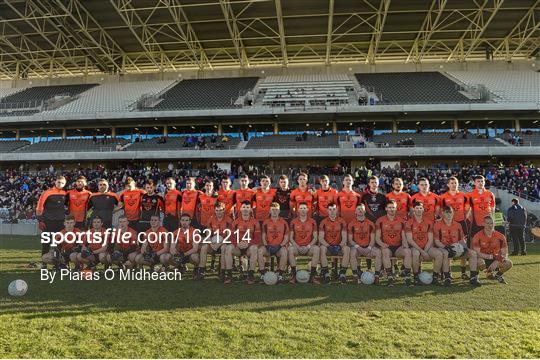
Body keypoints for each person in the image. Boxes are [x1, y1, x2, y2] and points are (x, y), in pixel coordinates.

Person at [433, 206, 481, 286]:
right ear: (442, 214)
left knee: (473, 253)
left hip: (457, 248)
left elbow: (462, 239)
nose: (449, 215)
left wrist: (465, 247)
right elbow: (436, 241)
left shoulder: (458, 225)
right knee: (445, 253)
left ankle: (473, 278)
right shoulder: (437, 225)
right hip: (443, 248)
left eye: (450, 212)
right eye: (446, 213)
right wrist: (446, 248)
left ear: (453, 213)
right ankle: (447, 277)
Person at [439, 176, 472, 279]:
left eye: (455, 183)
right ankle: (448, 273)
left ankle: (463, 272)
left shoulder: (464, 195)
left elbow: (467, 209)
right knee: (448, 247)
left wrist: (462, 219)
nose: (454, 184)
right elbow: (441, 211)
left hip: (462, 223)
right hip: (447, 224)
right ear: (448, 185)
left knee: (463, 248)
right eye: (452, 183)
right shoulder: (443, 197)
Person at [375, 200, 412, 287]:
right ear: (386, 209)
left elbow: (403, 236)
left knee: (408, 252)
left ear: (396, 209)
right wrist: (382, 244)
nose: (391, 209)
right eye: (390, 207)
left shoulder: (401, 220)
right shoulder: (380, 220)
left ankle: (407, 277)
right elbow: (377, 237)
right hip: (387, 246)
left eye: (393, 207)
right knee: (385, 252)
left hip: (398, 247)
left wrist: (405, 244)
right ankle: (390, 277)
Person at [405, 201, 443, 285]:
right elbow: (410, 240)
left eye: (420, 208)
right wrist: (422, 252)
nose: (419, 210)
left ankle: (435, 277)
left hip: (427, 247)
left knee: (439, 254)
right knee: (415, 253)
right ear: (414, 210)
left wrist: (425, 251)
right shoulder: (409, 223)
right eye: (417, 208)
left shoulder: (429, 222)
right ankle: (416, 277)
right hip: (415, 247)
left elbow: (430, 239)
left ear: (423, 210)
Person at [225, 201, 261, 284]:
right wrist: (237, 243)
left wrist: (248, 244)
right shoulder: (235, 222)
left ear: (251, 209)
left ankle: (250, 275)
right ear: (240, 209)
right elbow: (231, 236)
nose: (245, 209)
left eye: (247, 208)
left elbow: (257, 238)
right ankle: (229, 275)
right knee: (229, 248)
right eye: (244, 207)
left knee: (254, 248)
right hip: (238, 247)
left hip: (249, 247)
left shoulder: (255, 222)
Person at [36, 175, 67, 267]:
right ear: (55, 182)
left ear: (64, 184)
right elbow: (39, 207)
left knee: (59, 244)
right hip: (48, 222)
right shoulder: (47, 192)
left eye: (62, 183)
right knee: (46, 243)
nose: (60, 184)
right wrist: (40, 220)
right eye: (58, 182)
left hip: (60, 222)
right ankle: (44, 263)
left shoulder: (65, 193)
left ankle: (58, 263)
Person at [472, 215, 513, 283]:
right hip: (482, 258)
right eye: (487, 223)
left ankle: (498, 275)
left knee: (509, 263)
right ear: (483, 224)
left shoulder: (501, 236)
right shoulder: (477, 236)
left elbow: (505, 253)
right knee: (478, 261)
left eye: (491, 223)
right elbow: (477, 253)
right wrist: (490, 257)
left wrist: (496, 262)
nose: (490, 225)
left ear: (494, 224)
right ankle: (476, 277)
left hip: (495, 258)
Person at [347, 203, 381, 284]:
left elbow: (373, 239)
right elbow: (350, 240)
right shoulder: (351, 224)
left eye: (362, 209)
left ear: (365, 211)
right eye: (358, 209)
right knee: (352, 252)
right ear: (355, 211)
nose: (360, 210)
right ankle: (355, 276)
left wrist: (369, 248)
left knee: (378, 252)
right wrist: (358, 247)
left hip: (368, 247)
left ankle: (376, 276)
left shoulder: (370, 224)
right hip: (357, 248)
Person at [288, 202, 320, 284]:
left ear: (307, 210)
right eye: (301, 208)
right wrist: (298, 246)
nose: (303, 210)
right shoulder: (293, 222)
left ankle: (313, 276)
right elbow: (291, 238)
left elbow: (315, 237)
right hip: (297, 247)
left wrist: (308, 246)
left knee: (317, 249)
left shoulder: (312, 221)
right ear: (298, 210)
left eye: (304, 208)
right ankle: (294, 275)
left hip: (309, 247)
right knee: (290, 249)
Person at [200, 202, 232, 280]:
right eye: (217, 210)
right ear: (214, 210)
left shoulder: (228, 220)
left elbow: (228, 236)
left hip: (224, 242)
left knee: (224, 248)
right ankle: (201, 271)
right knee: (204, 247)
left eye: (220, 210)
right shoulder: (211, 219)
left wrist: (220, 244)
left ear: (224, 210)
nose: (218, 212)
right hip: (213, 242)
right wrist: (211, 244)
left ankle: (222, 271)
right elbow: (208, 234)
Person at [319, 203, 349, 284]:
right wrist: (328, 246)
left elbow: (344, 238)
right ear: (327, 211)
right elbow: (321, 238)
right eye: (330, 209)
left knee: (347, 249)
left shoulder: (342, 221)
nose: (332, 211)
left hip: (339, 246)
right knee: (322, 248)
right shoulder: (323, 222)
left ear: (337, 210)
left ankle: (342, 274)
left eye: (334, 209)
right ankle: (326, 274)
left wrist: (340, 246)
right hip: (328, 246)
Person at [258, 203, 289, 282]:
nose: (275, 211)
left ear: (279, 211)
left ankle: (280, 274)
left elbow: (286, 237)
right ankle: (262, 273)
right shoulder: (266, 222)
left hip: (279, 247)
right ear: (270, 211)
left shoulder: (284, 222)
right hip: (268, 247)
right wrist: (266, 245)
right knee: (260, 251)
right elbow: (263, 235)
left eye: (276, 210)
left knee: (285, 252)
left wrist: (280, 246)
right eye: (273, 210)